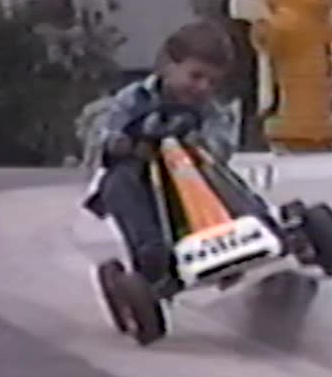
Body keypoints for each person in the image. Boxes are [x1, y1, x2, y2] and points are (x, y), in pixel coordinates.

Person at [84, 20, 239, 298]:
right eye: (196, 76)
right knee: (119, 183)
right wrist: (120, 142)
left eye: (212, 82)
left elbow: (222, 143)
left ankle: (252, 225)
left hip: (190, 175)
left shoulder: (209, 111)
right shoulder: (134, 99)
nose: (203, 87)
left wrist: (203, 146)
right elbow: (104, 132)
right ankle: (151, 257)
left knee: (217, 174)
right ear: (168, 66)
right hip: (143, 177)